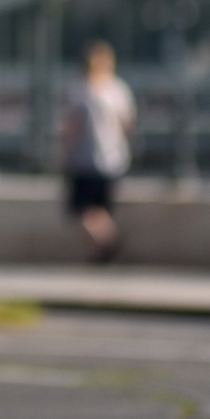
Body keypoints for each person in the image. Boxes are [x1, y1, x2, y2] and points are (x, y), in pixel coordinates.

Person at [60, 41, 135, 263]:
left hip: (86, 158)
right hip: (113, 158)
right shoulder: (118, 89)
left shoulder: (82, 91)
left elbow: (72, 127)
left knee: (82, 208)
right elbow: (127, 122)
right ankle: (96, 252)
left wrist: (64, 152)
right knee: (99, 208)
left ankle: (107, 238)